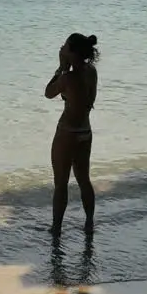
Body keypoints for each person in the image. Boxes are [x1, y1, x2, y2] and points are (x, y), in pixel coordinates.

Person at [44, 33, 100, 235]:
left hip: (67, 132)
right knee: (84, 179)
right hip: (85, 131)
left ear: (73, 52)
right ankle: (89, 223)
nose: (62, 48)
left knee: (61, 183)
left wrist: (60, 67)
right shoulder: (91, 72)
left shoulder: (67, 78)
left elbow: (48, 92)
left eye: (65, 46)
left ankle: (56, 227)